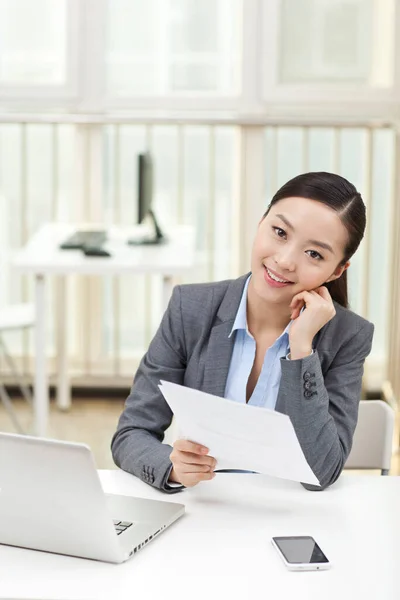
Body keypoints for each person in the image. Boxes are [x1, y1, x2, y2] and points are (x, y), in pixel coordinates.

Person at [111, 171, 374, 492]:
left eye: (314, 254)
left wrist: (302, 348)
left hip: (288, 518)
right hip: (204, 510)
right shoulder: (190, 308)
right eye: (279, 232)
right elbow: (131, 433)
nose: (285, 260)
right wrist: (173, 467)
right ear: (261, 222)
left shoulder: (348, 336)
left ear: (337, 270)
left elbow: (321, 473)